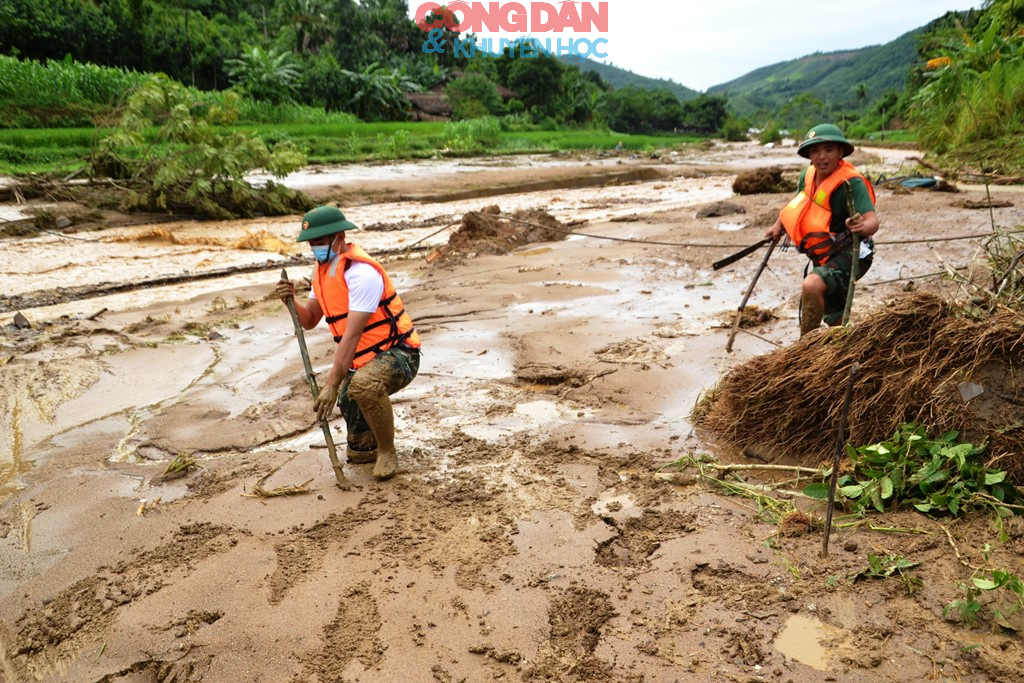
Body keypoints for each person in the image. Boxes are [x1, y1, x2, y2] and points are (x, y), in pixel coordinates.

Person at [276, 205, 421, 480]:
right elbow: (309, 320)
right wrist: (290, 300)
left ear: (339, 236)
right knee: (358, 447)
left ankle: (388, 452)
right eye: (312, 243)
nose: (316, 248)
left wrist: (331, 384)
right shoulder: (321, 271)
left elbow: (352, 335)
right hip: (363, 360)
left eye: (320, 241)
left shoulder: (361, 274)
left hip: (399, 354)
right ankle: (371, 445)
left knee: (364, 386)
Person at [765, 123, 879, 336]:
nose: (821, 157)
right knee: (836, 318)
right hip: (823, 254)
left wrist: (862, 226)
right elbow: (799, 202)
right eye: (815, 151)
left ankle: (805, 347)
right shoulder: (806, 176)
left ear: (840, 152)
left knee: (812, 285)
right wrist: (779, 224)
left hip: (852, 252)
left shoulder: (851, 183)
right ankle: (845, 351)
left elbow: (873, 222)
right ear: (809, 155)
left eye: (828, 150)